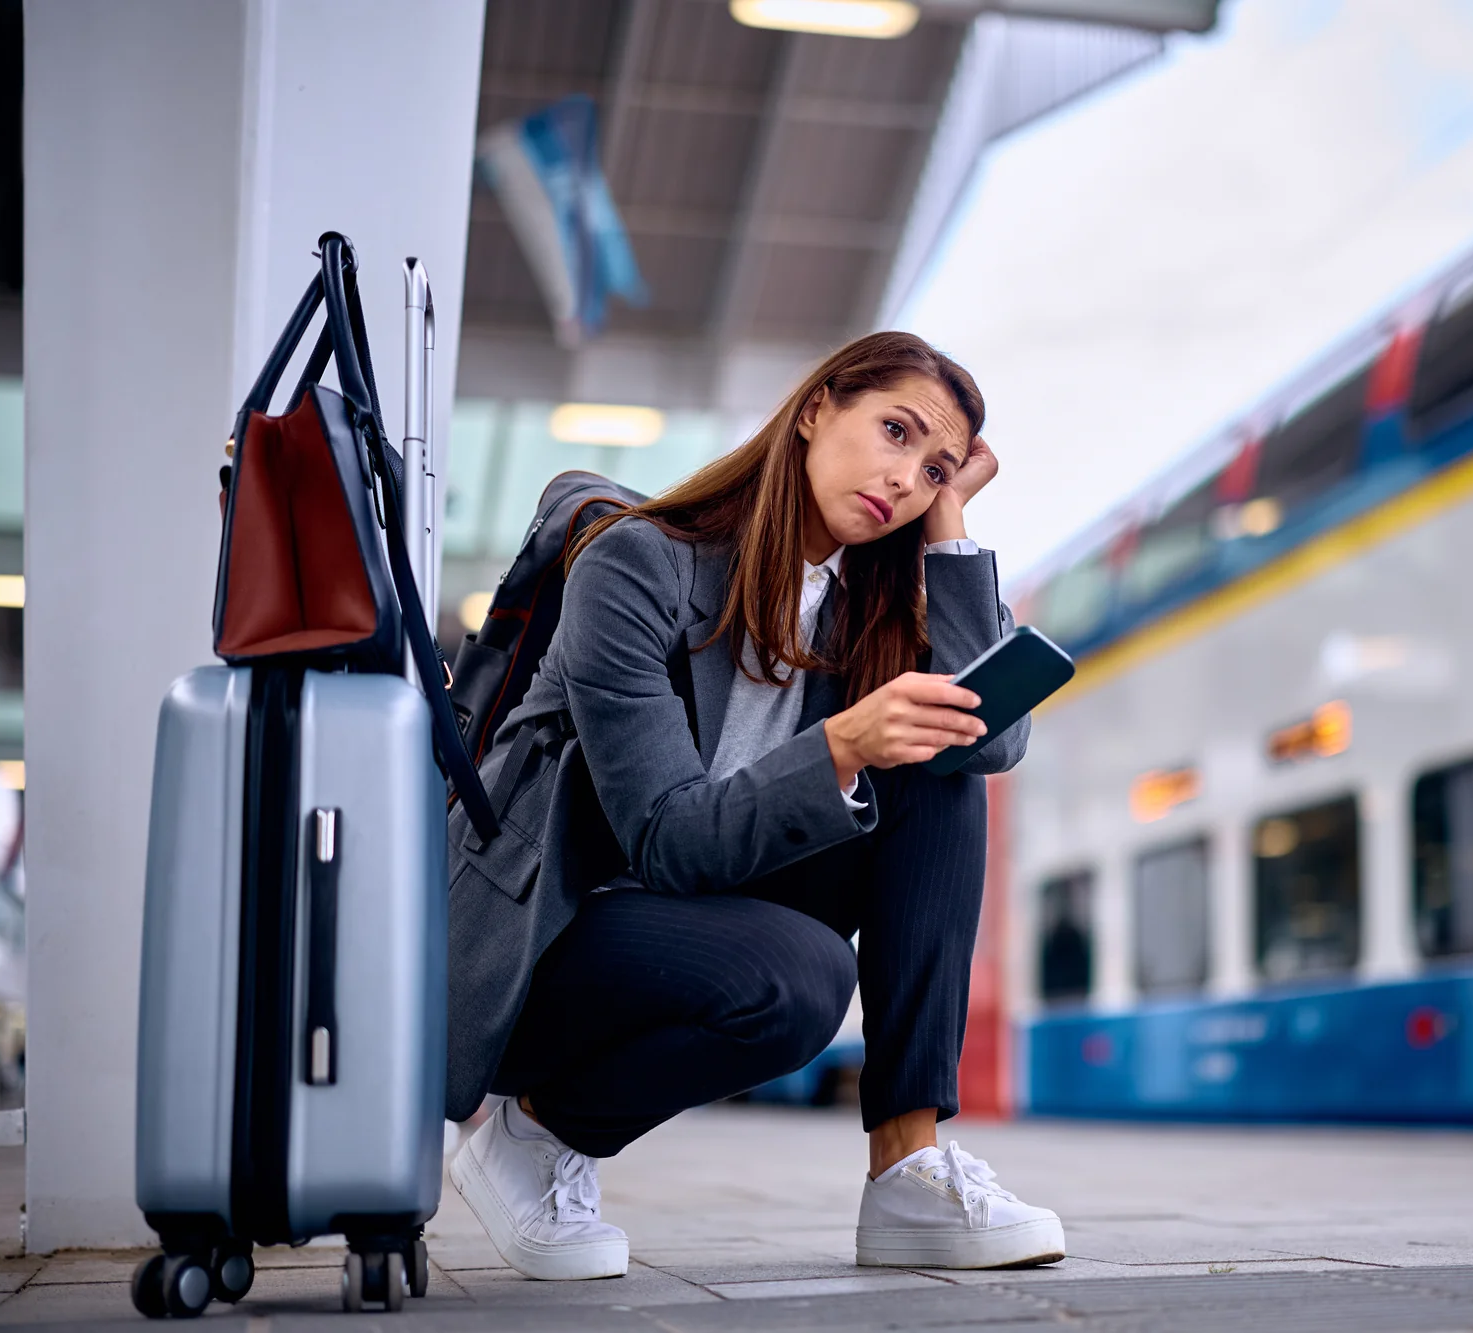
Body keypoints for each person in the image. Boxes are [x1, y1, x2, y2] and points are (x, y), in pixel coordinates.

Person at [445, 331, 1064, 1282]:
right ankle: (533, 1135)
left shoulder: (866, 604)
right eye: (894, 432)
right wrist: (846, 743)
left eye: (933, 467)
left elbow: (995, 743)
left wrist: (950, 526)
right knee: (801, 977)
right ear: (816, 408)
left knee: (944, 770)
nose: (903, 477)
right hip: (554, 936)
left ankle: (908, 1164)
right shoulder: (636, 564)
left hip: (700, 910)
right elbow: (666, 839)